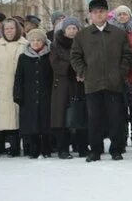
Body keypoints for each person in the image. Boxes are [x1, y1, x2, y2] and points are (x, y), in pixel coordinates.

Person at [70, 0, 132, 162]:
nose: (99, 14)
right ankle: (95, 150)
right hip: (92, 84)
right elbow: (75, 56)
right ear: (90, 14)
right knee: (94, 119)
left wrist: (121, 72)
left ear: (107, 13)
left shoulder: (118, 34)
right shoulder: (82, 35)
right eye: (95, 12)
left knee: (116, 118)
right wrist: (84, 72)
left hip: (114, 83)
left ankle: (116, 149)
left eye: (102, 11)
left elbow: (127, 55)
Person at [50, 17, 88, 159]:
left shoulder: (83, 43)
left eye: (74, 28)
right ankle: (63, 149)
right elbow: (56, 64)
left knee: (81, 116)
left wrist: (82, 71)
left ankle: (83, 148)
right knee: (62, 119)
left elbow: (88, 60)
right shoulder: (55, 45)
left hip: (80, 84)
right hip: (62, 86)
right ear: (64, 30)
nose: (72, 31)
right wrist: (75, 70)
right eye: (69, 28)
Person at [0, 18, 27, 156]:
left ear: (17, 29)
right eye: (6, 29)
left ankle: (24, 146)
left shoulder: (25, 44)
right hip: (2, 88)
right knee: (7, 119)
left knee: (20, 117)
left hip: (21, 87)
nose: (9, 31)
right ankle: (13, 147)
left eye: (12, 28)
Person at [13, 29, 52, 158]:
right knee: (32, 124)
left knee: (45, 123)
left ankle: (46, 149)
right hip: (29, 96)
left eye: (38, 40)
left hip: (46, 94)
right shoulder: (23, 57)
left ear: (43, 42)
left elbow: (53, 76)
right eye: (33, 40)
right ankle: (33, 149)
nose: (35, 43)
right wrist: (17, 94)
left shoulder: (50, 55)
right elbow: (18, 77)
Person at [109, 5, 132, 147]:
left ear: (129, 15)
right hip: (119, 72)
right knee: (120, 107)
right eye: (119, 14)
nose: (122, 16)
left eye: (125, 14)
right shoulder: (111, 31)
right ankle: (123, 135)